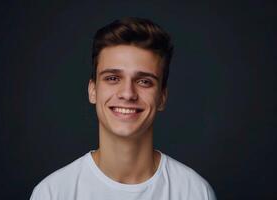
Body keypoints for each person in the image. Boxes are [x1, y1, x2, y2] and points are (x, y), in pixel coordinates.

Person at [30, 17, 216, 200]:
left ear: (162, 97)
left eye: (144, 81)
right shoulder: (52, 193)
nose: (127, 93)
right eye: (112, 78)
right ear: (92, 90)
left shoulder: (195, 193)